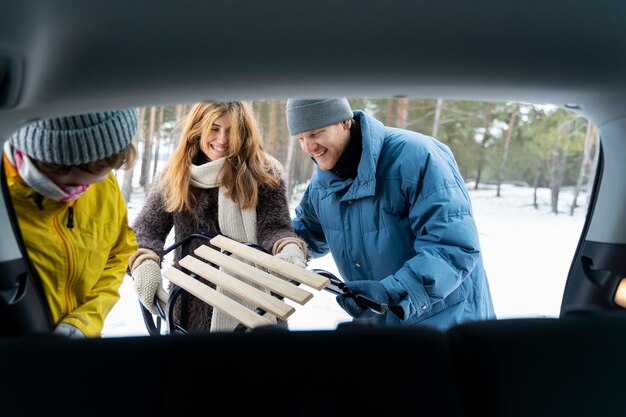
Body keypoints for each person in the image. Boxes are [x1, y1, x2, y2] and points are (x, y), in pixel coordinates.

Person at [286, 98, 496, 330]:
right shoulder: (321, 184)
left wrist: (391, 292)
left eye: (316, 134)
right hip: (383, 326)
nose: (308, 148)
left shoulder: (417, 157)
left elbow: (452, 247)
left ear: (345, 121)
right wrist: (275, 243)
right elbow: (306, 234)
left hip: (447, 324)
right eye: (300, 139)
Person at [129, 101, 307, 332]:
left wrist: (289, 248)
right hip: (189, 306)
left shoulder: (263, 171)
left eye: (231, 131)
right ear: (197, 128)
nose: (222, 140)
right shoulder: (175, 174)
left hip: (257, 307)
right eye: (214, 128)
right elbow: (147, 229)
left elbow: (274, 228)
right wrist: (144, 261)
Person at [3, 109, 139, 338]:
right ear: (54, 162)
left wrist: (85, 322)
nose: (103, 181)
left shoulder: (102, 182)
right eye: (77, 184)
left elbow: (118, 254)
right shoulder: (5, 204)